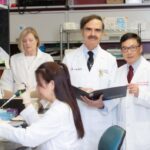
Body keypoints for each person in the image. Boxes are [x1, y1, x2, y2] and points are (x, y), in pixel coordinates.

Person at [63, 14, 118, 150]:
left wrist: (102, 104)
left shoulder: (110, 60)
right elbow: (61, 89)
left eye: (97, 30)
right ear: (82, 31)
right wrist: (76, 90)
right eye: (88, 29)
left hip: (101, 121)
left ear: (102, 33)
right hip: (76, 121)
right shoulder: (69, 59)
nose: (93, 34)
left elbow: (116, 93)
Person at [0, 62, 84, 150]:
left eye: (39, 84)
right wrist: (27, 102)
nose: (36, 88)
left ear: (51, 85)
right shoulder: (62, 105)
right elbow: (41, 128)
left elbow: (29, 138)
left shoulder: (59, 111)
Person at [112, 33, 150, 150]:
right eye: (125, 48)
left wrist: (140, 93)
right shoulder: (118, 72)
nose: (129, 52)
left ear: (141, 48)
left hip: (143, 134)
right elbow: (113, 100)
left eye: (133, 47)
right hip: (122, 133)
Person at [0, 27, 53, 98]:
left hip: (40, 100)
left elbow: (51, 82)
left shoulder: (47, 59)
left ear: (37, 40)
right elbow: (6, 82)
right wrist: (10, 97)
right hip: (18, 100)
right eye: (24, 41)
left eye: (30, 40)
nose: (27, 43)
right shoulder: (14, 59)